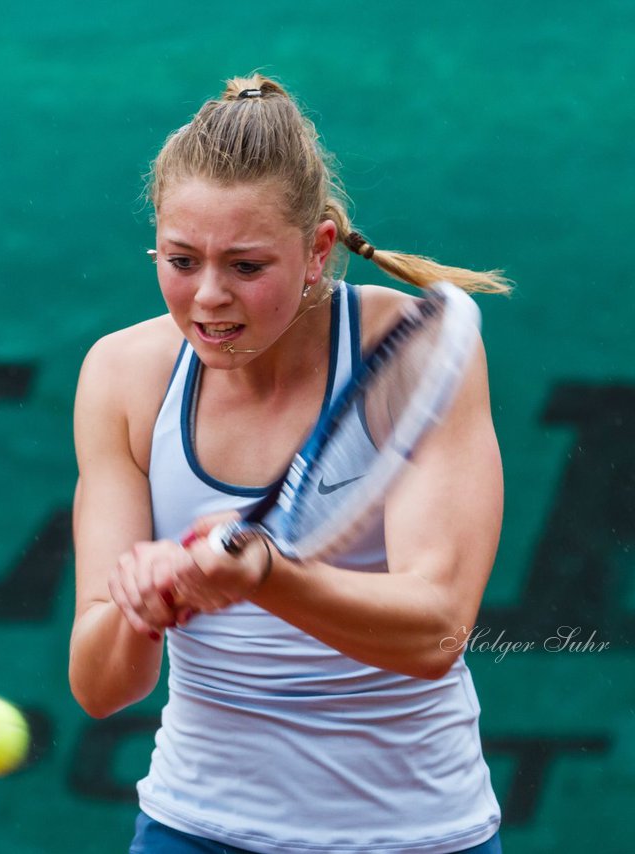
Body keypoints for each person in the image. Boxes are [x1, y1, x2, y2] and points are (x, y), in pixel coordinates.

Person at [70, 73, 510, 854]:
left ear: (318, 251)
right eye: (180, 259)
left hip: (414, 836)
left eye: (246, 267)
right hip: (193, 830)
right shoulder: (120, 375)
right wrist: (142, 607)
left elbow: (434, 635)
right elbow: (102, 688)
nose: (208, 296)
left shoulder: (409, 350)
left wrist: (267, 576)